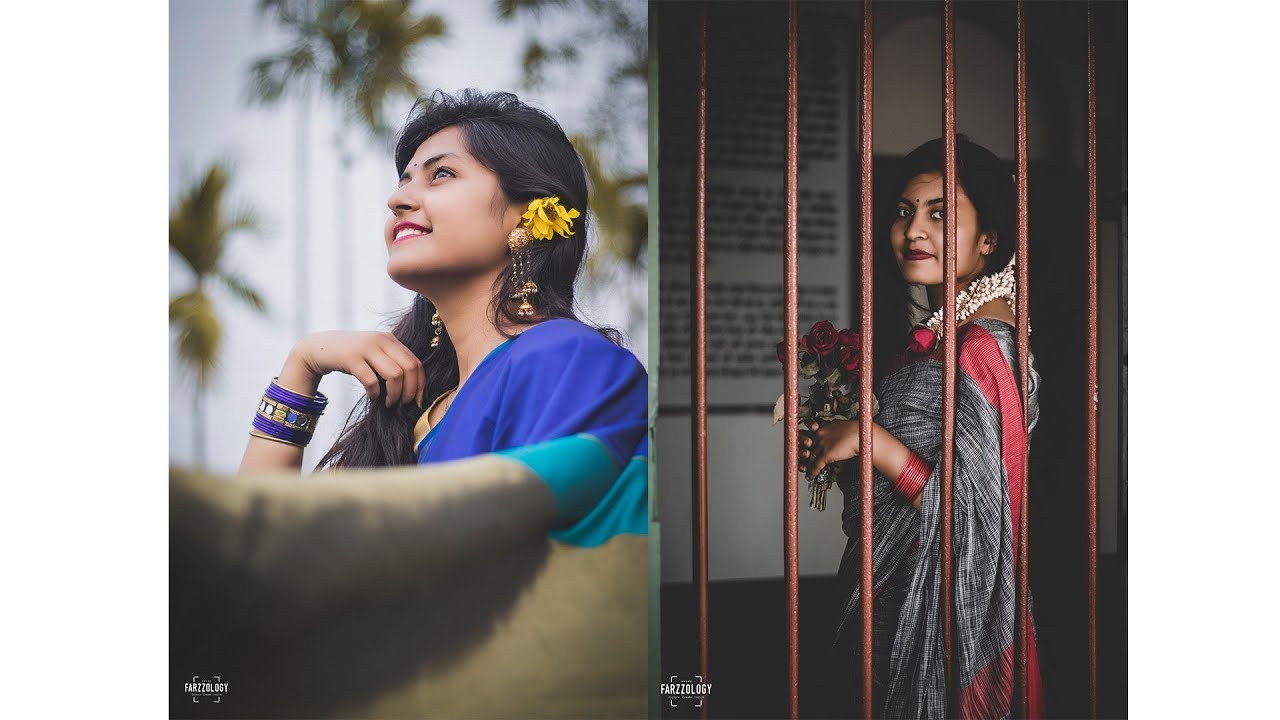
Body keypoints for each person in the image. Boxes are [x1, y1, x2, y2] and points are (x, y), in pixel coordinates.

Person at [238, 89, 648, 548]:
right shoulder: (418, 409)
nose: (399, 200)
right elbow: (255, 550)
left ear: (530, 215)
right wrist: (302, 366)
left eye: (442, 174)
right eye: (404, 181)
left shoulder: (564, 359)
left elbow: (545, 575)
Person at [799, 136, 1047, 718]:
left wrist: (874, 442)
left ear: (989, 238)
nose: (914, 230)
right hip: (900, 588)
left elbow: (977, 517)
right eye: (904, 212)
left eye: (940, 214)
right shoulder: (950, 333)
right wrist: (842, 444)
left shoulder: (983, 347)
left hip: (945, 614)